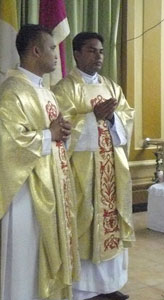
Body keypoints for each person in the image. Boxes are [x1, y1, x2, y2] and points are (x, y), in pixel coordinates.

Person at [53, 32, 135, 300]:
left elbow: (126, 118)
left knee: (111, 223)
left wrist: (112, 120)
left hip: (112, 169)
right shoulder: (65, 88)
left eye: (100, 51)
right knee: (84, 225)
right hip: (82, 174)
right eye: (91, 50)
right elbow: (59, 129)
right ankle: (83, 290)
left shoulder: (112, 87)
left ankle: (110, 286)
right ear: (76, 54)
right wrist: (91, 119)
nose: (98, 56)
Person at [0, 24, 79, 300]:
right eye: (51, 48)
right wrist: (50, 135)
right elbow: (8, 143)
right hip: (25, 193)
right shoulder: (12, 91)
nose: (57, 55)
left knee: (41, 254)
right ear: (35, 51)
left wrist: (63, 134)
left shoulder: (46, 92)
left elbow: (56, 136)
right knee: (24, 261)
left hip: (52, 187)